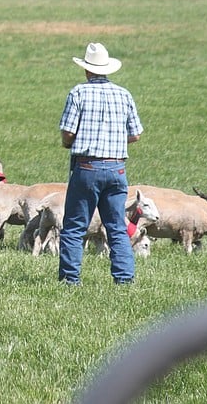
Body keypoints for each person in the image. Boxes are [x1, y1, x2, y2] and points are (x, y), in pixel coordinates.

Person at [58, 42, 144, 285]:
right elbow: (136, 134)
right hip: (117, 168)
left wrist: (71, 144)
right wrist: (115, 141)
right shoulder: (124, 94)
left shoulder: (78, 93)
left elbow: (67, 133)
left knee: (75, 226)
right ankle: (124, 278)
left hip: (86, 167)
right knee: (116, 226)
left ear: (86, 70)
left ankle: (70, 280)